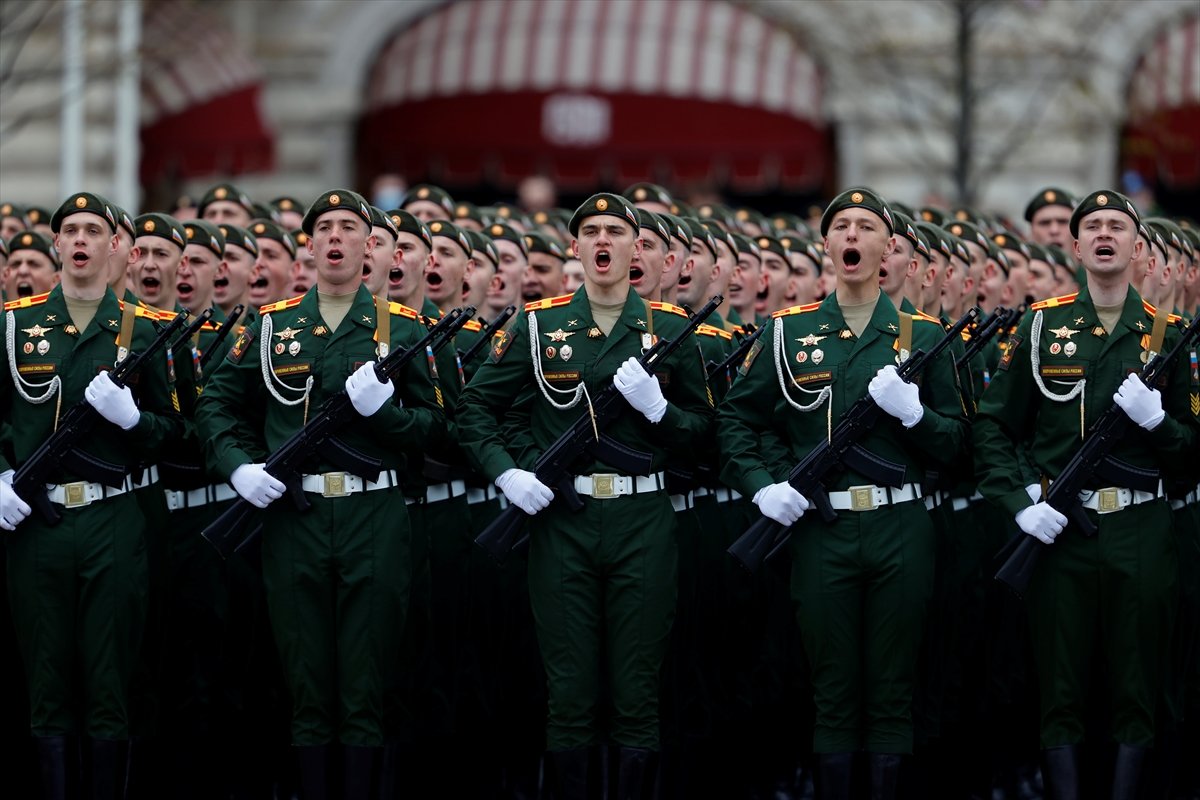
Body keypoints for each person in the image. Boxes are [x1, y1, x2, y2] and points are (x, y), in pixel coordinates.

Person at [458, 192, 714, 799]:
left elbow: (707, 431)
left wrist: (661, 413)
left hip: (641, 518)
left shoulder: (670, 328)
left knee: (636, 693)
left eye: (615, 232)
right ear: (575, 247)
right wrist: (509, 473)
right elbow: (477, 409)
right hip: (563, 523)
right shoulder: (541, 323)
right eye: (590, 231)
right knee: (570, 692)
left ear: (636, 248)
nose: (602, 241)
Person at [718, 188, 967, 800]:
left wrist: (916, 418)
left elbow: (960, 444)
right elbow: (738, 422)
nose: (852, 235)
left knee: (891, 691)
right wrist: (763, 487)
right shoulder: (786, 332)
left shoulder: (926, 335)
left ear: (888, 249)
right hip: (820, 530)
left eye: (867, 227)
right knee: (832, 691)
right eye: (841, 227)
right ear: (826, 245)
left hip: (899, 527)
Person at [195, 188, 445, 798]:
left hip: (373, 514)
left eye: (348, 227)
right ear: (308, 244)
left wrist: (386, 414)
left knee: (363, 690)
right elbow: (216, 405)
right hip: (295, 518)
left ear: (370, 247)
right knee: (305, 686)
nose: (334, 236)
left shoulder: (403, 328)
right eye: (323, 227)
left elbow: (441, 426)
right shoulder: (272, 326)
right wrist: (238, 467)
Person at [974, 190, 1197, 799]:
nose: (1104, 234)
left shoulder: (1169, 334)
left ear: (1136, 247)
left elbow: (1192, 452)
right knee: (1061, 692)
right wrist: (1022, 504)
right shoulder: (1041, 326)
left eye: (1117, 226)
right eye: (1091, 225)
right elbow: (994, 426)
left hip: (1140, 531)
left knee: (1137, 689)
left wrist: (1159, 422)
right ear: (1075, 246)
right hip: (1060, 531)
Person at [2, 192, 184, 797]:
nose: (80, 240)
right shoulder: (14, 325)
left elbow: (175, 434)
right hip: (37, 523)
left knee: (110, 683)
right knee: (46, 684)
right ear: (55, 244)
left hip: (113, 518)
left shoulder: (146, 329)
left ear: (115, 247)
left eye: (93, 230)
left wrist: (134, 420)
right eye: (69, 230)